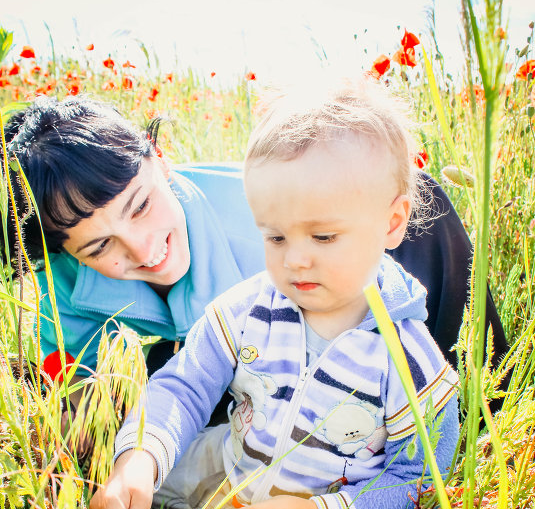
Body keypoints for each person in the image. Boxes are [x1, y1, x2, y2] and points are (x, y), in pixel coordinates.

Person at [88, 78, 461, 509]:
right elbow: (186, 384)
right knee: (122, 481)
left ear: (391, 222)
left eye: (324, 237)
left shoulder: (408, 359)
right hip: (232, 460)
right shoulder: (251, 305)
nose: (296, 261)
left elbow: (416, 477)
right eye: (276, 237)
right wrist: (139, 459)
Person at [2, 95, 507, 383]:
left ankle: (487, 401)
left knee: (422, 200)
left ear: (160, 159)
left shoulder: (265, 218)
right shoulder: (58, 289)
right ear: (62, 251)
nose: (142, 249)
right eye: (99, 247)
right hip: (218, 368)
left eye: (142, 206)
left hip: (355, 285)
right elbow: (71, 384)